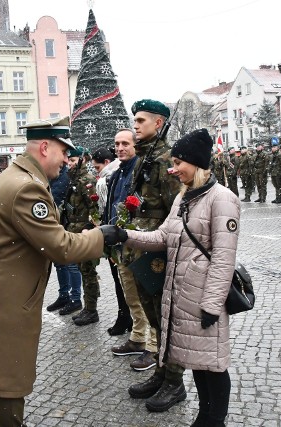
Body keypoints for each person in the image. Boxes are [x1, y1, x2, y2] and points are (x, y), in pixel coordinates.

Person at [0, 116, 106, 427]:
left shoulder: (15, 177)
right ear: (45, 148)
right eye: (63, 151)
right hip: (1, 298)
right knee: (5, 377)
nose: (67, 159)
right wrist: (101, 236)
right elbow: (61, 247)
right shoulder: (26, 189)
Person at [102, 128, 239, 427]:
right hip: (182, 294)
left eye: (179, 163)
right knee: (197, 362)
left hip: (204, 298)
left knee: (213, 365)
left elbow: (224, 258)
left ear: (197, 162)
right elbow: (163, 236)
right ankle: (205, 415)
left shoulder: (222, 200)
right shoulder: (183, 198)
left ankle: (214, 419)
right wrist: (125, 235)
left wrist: (213, 305)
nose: (173, 169)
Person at [122, 99, 185, 411]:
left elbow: (178, 212)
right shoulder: (144, 158)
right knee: (153, 317)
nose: (136, 126)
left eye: (142, 121)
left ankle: (175, 382)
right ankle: (161, 373)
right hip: (142, 250)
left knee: (166, 319)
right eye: (135, 121)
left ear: (159, 124)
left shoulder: (165, 161)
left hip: (159, 253)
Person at [104, 129, 155, 355]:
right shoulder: (117, 173)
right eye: (117, 144)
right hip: (120, 245)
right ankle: (137, 337)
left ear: (135, 146)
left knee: (147, 297)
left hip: (140, 243)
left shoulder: (141, 170)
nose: (120, 148)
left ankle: (153, 345)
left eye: (125, 143)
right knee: (131, 296)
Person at [92, 146, 130, 335]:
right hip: (111, 231)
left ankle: (126, 317)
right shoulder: (112, 176)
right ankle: (124, 316)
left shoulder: (112, 176)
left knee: (124, 279)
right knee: (118, 279)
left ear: (106, 163)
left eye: (97, 167)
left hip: (119, 233)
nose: (96, 171)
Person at [62, 146, 102, 326]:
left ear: (82, 160)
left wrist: (89, 229)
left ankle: (91, 309)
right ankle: (87, 307)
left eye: (73, 160)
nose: (69, 164)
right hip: (73, 230)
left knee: (88, 272)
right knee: (82, 271)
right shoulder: (74, 179)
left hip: (84, 232)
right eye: (69, 160)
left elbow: (94, 209)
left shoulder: (87, 180)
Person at [46, 164, 83, 315]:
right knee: (59, 263)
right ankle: (64, 295)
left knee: (71, 264)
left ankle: (76, 299)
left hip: (68, 224)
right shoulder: (51, 174)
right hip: (55, 224)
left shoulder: (67, 176)